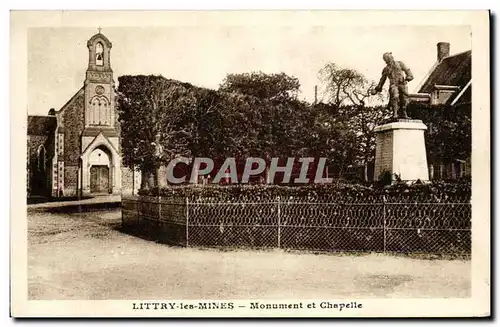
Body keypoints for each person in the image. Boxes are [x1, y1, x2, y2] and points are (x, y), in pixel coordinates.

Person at [371, 52, 414, 119]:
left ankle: (404, 113)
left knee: (404, 99)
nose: (388, 59)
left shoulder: (400, 63)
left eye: (389, 57)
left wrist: (409, 76)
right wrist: (377, 88)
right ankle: (395, 114)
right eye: (386, 59)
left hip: (402, 83)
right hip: (394, 84)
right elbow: (382, 79)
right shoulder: (385, 69)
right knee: (395, 96)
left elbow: (407, 70)